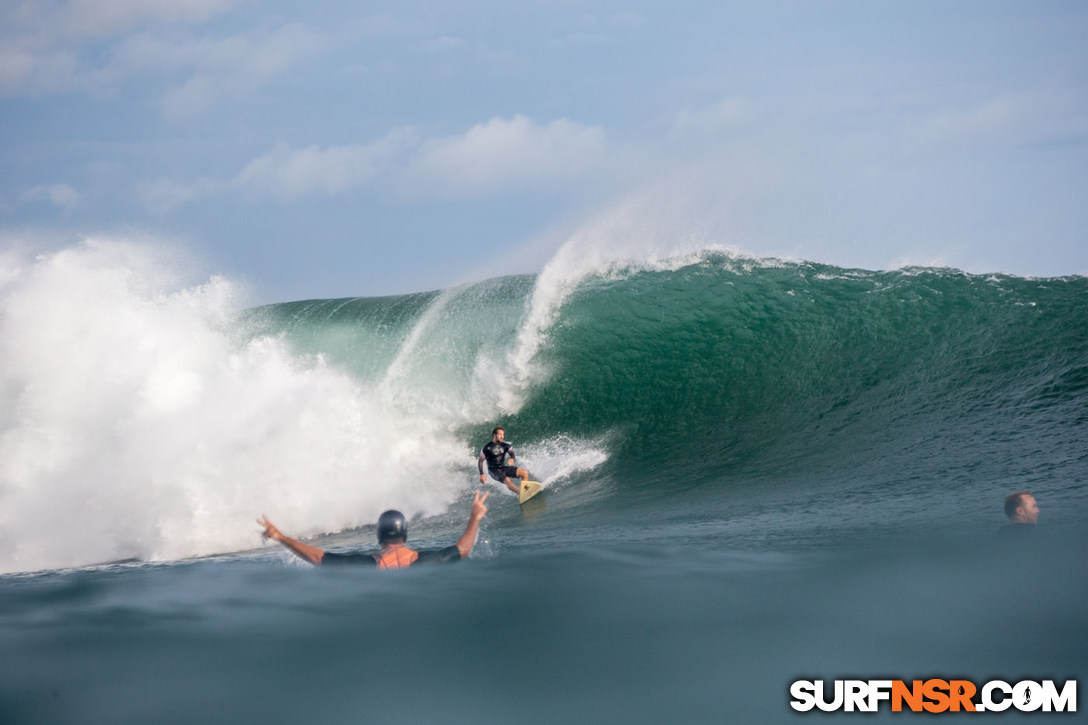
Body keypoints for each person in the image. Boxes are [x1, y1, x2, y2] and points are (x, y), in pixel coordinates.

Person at [257, 490, 489, 569]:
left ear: (379, 536)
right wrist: (474, 517)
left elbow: (317, 557)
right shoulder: (428, 561)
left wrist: (281, 536)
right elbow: (464, 548)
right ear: (404, 533)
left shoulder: (365, 566)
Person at [478, 426, 529, 495]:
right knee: (507, 480)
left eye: (503, 434)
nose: (502, 437)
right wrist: (482, 474)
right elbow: (480, 461)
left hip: (502, 468)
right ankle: (520, 493)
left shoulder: (505, 446)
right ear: (494, 435)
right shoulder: (487, 448)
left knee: (525, 473)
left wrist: (512, 458)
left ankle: (525, 490)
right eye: (500, 434)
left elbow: (512, 453)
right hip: (493, 471)